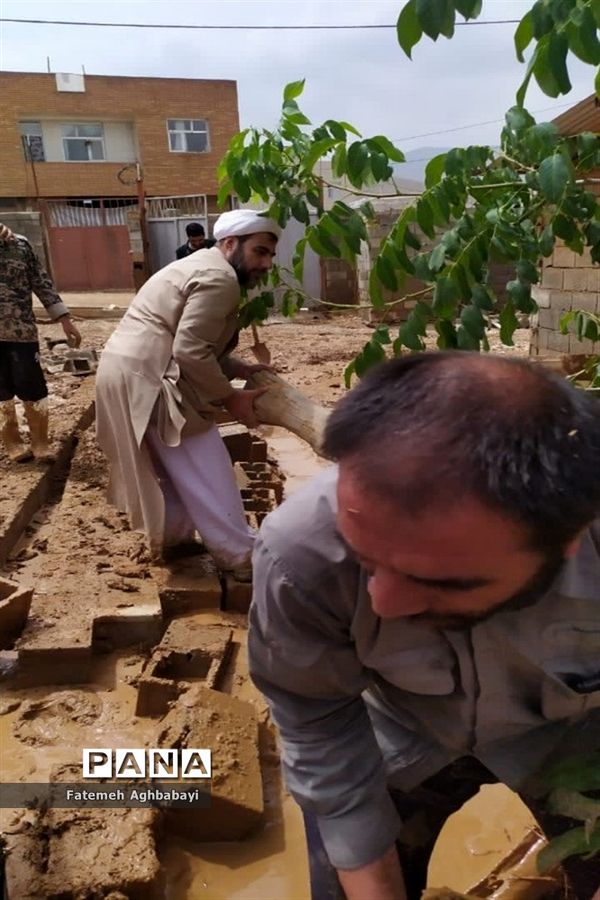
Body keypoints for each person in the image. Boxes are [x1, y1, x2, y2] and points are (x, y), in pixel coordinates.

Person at [248, 352, 600, 900]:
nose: (383, 603)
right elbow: (314, 714)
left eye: (441, 582)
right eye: (365, 561)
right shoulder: (300, 553)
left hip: (575, 738)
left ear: (568, 540)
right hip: (400, 732)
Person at [95, 209, 280, 575]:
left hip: (126, 371)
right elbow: (190, 351)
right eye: (260, 252)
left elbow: (193, 340)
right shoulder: (220, 279)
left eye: (271, 255)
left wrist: (238, 368)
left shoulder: (201, 265)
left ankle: (174, 539)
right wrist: (231, 397)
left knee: (169, 467)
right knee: (206, 466)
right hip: (149, 378)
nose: (267, 263)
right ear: (231, 244)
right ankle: (240, 555)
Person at [0, 222, 81, 463]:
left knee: (33, 387)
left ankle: (40, 444)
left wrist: (63, 318)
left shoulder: (20, 245)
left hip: (22, 333)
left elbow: (41, 282)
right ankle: (13, 444)